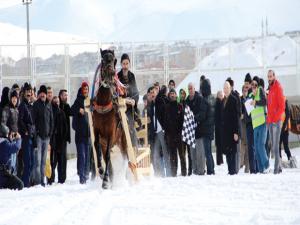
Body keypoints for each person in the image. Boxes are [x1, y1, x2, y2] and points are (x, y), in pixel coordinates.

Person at [32, 85, 54, 186]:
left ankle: (43, 180)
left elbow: (51, 121)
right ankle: (38, 181)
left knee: (44, 161)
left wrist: (50, 133)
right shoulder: (36, 105)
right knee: (38, 160)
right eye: (41, 93)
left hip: (47, 137)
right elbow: (33, 121)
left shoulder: (49, 105)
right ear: (39, 94)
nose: (43, 95)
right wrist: (36, 133)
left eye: (44, 93)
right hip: (39, 137)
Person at [117, 53, 140, 150]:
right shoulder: (117, 76)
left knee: (131, 129)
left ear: (129, 64)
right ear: (121, 64)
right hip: (119, 108)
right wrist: (123, 100)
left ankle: (134, 148)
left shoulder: (132, 76)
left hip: (130, 109)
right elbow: (115, 93)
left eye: (127, 63)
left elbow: (136, 92)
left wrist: (134, 100)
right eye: (123, 64)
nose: (125, 66)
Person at [267, 70, 285, 174]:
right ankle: (279, 167)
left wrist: (275, 119)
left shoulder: (278, 87)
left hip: (276, 121)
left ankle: (276, 169)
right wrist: (268, 119)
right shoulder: (270, 88)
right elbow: (269, 105)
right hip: (270, 121)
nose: (269, 78)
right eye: (268, 76)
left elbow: (282, 106)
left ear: (274, 76)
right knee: (273, 146)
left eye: (270, 76)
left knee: (275, 145)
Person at [71, 82, 90, 184]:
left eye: (87, 89)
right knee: (82, 155)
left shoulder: (89, 101)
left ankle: (86, 175)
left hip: (88, 134)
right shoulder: (78, 100)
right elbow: (71, 110)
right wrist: (79, 110)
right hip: (80, 135)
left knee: (87, 156)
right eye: (84, 89)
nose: (86, 91)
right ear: (82, 90)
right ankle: (82, 177)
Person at [186, 83, 207, 175]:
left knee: (200, 153)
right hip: (190, 131)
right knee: (192, 153)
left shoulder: (200, 98)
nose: (190, 90)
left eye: (191, 88)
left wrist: (194, 118)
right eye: (189, 88)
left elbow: (203, 113)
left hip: (199, 129)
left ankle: (201, 170)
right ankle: (195, 170)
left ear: (194, 89)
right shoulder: (187, 100)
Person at [250, 77, 269, 173]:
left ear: (258, 85)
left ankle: (266, 165)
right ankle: (261, 169)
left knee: (261, 145)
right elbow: (248, 110)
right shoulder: (250, 95)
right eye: (252, 85)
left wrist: (256, 102)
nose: (254, 87)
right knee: (256, 148)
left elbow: (265, 102)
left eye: (255, 85)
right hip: (255, 124)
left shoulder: (261, 91)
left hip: (262, 122)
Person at [18, 82, 35, 187]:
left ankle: (27, 182)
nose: (29, 93)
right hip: (25, 137)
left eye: (30, 91)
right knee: (27, 162)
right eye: (27, 91)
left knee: (32, 162)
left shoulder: (30, 105)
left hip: (31, 137)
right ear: (23, 93)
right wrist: (25, 130)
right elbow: (20, 120)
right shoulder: (22, 105)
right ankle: (25, 184)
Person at [164, 88, 184, 176]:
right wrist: (168, 133)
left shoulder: (180, 106)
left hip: (179, 134)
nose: (172, 95)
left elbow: (183, 120)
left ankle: (184, 173)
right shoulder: (167, 107)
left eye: (174, 93)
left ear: (176, 95)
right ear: (169, 95)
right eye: (171, 93)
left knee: (182, 155)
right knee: (173, 156)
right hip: (170, 135)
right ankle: (174, 173)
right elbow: (165, 122)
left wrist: (179, 132)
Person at [221, 81, 240, 175]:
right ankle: (230, 170)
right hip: (225, 131)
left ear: (230, 88)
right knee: (228, 152)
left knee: (232, 152)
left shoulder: (233, 99)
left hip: (232, 131)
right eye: (224, 88)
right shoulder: (224, 100)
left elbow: (236, 117)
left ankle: (233, 171)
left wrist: (236, 132)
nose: (225, 90)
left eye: (227, 88)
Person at [151, 85, 170, 177]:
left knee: (165, 152)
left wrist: (164, 128)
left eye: (154, 92)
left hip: (161, 130)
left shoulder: (160, 101)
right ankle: (161, 173)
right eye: (151, 93)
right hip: (155, 132)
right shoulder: (152, 104)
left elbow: (165, 115)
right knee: (156, 153)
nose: (152, 94)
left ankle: (168, 173)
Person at [48, 96, 68, 184]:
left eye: (58, 102)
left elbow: (65, 128)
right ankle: (50, 179)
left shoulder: (62, 112)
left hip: (61, 141)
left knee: (62, 161)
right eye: (55, 101)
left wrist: (64, 138)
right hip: (53, 141)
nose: (57, 103)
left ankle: (61, 179)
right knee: (52, 161)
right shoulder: (50, 112)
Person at [1, 90, 19, 176]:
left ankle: (13, 177)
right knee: (10, 160)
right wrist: (9, 133)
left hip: (16, 137)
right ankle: (9, 177)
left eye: (15, 98)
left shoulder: (16, 109)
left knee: (15, 160)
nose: (14, 99)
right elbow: (3, 123)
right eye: (13, 98)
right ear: (10, 98)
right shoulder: (7, 108)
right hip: (9, 138)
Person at [226, 77, 242, 173]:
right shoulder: (226, 97)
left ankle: (235, 169)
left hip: (235, 127)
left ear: (231, 86)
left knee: (236, 150)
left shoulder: (236, 97)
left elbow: (238, 113)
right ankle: (231, 169)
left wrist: (236, 130)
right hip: (228, 129)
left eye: (228, 86)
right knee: (229, 150)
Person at [0, 124, 23, 190]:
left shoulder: (4, 143)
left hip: (3, 174)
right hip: (3, 176)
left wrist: (10, 140)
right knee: (20, 184)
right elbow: (16, 147)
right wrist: (19, 139)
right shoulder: (4, 143)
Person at [200, 79, 215, 175]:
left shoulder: (204, 100)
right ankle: (211, 168)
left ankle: (210, 170)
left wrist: (195, 116)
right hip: (211, 128)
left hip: (205, 128)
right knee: (209, 151)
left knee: (207, 152)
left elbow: (202, 115)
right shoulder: (213, 98)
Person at [243, 73, 257, 174]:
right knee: (251, 147)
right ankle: (253, 168)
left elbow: (250, 111)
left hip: (253, 124)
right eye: (245, 83)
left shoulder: (251, 95)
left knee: (252, 147)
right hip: (248, 124)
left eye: (248, 83)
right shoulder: (247, 95)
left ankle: (254, 169)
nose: (246, 85)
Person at [179, 88, 192, 175]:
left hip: (188, 130)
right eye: (181, 94)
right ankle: (183, 171)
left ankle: (190, 170)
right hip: (181, 132)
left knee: (190, 153)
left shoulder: (188, 102)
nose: (183, 95)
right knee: (182, 154)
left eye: (184, 93)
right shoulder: (178, 104)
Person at [240, 85, 249, 173]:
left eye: (246, 90)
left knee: (247, 145)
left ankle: (247, 166)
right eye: (244, 90)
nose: (245, 92)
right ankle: (241, 163)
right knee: (242, 143)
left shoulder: (249, 99)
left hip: (248, 124)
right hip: (242, 123)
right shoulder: (240, 99)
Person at [215, 90, 224, 165]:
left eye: (222, 95)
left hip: (218, 126)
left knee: (219, 144)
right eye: (220, 95)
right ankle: (219, 160)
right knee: (219, 144)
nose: (222, 96)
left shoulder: (219, 103)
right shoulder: (219, 103)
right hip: (220, 127)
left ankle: (219, 160)